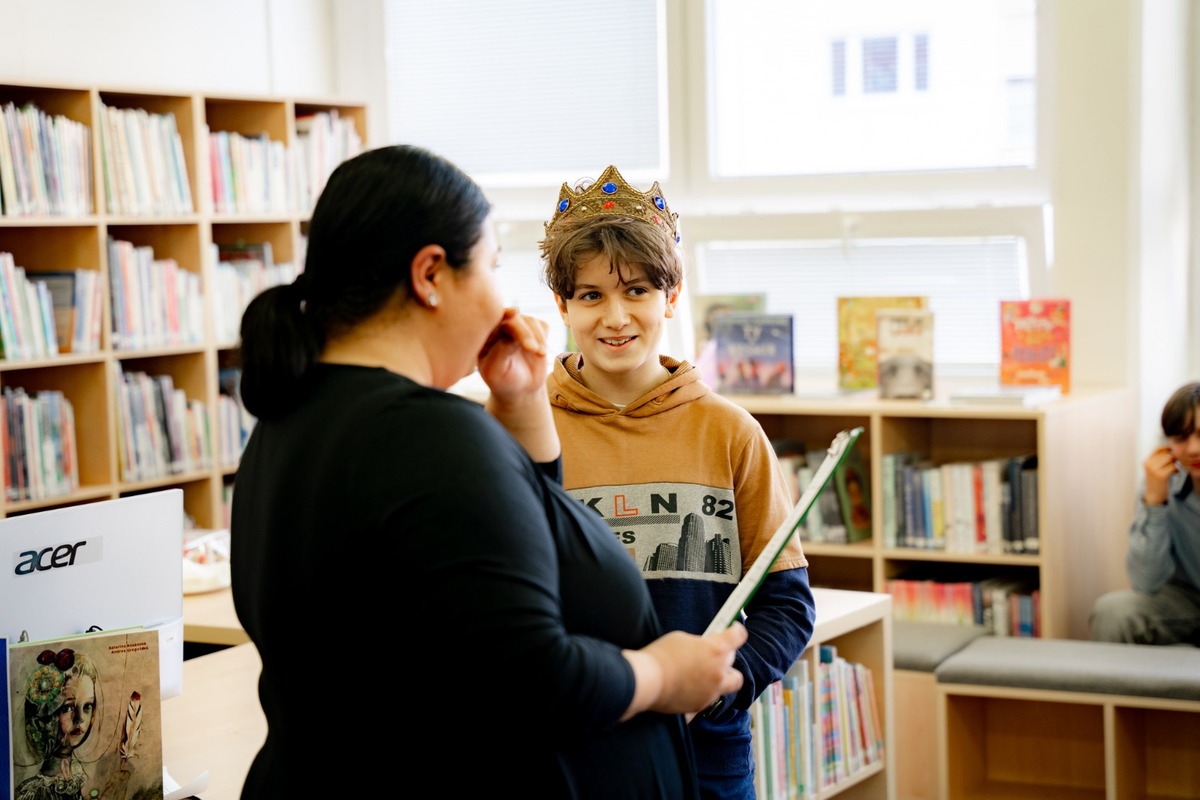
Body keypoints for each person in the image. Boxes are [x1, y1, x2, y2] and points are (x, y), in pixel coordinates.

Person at [230, 145, 749, 799]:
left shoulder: (286, 424)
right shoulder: (432, 435)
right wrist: (660, 676)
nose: (501, 297)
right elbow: (531, 675)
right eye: (493, 266)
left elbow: (516, 551)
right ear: (430, 276)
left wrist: (522, 403)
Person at [539, 165, 817, 799]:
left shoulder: (731, 433)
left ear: (672, 295)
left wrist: (722, 689)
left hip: (706, 757)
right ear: (561, 304)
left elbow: (787, 606)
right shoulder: (525, 432)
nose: (616, 317)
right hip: (569, 756)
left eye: (636, 290)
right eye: (590, 296)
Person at [1090, 381, 1200, 645]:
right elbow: (1146, 582)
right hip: (1186, 603)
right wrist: (1154, 503)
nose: (1194, 449)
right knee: (1113, 612)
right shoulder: (1160, 484)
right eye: (1181, 439)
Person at [15, 649, 99, 800]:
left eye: (87, 706)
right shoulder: (39, 793)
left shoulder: (76, 779)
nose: (79, 718)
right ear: (46, 715)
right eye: (67, 707)